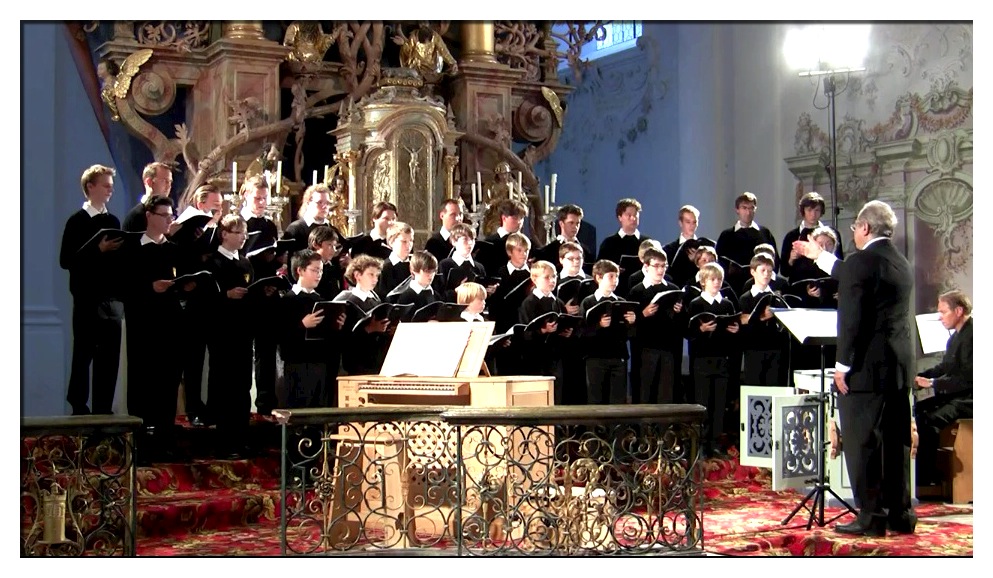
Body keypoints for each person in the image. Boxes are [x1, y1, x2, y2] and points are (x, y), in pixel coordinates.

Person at [793, 199, 916, 537]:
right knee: (896, 442)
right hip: (897, 367)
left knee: (863, 443)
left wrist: (841, 366)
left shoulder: (862, 262)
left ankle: (871, 517)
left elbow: (852, 322)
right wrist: (817, 255)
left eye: (854, 229)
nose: (854, 235)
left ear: (863, 228)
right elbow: (851, 273)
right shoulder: (900, 261)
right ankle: (900, 514)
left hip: (865, 370)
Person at [59, 164, 126, 416]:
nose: (110, 189)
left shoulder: (112, 221)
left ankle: (103, 408)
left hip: (110, 300)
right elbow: (66, 260)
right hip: (87, 298)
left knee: (108, 359)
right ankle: (78, 406)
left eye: (111, 185)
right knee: (84, 352)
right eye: (105, 185)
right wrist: (97, 250)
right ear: (90, 187)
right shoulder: (76, 221)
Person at [121, 196, 184, 461]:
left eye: (171, 215)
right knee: (142, 383)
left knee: (168, 384)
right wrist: (149, 288)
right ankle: (141, 444)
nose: (169, 220)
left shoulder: (174, 250)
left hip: (170, 326)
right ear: (149, 215)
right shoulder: (132, 248)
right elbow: (123, 286)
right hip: (143, 326)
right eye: (164, 215)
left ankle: (165, 439)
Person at [204, 215, 256, 458]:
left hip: (244, 332)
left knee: (243, 386)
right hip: (222, 333)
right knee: (224, 385)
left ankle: (242, 437)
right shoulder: (213, 263)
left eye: (244, 232)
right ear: (224, 233)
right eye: (238, 232)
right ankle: (225, 440)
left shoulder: (246, 263)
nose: (243, 237)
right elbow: (204, 299)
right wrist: (225, 296)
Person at [913, 290, 973, 486]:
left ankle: (929, 478)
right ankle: (919, 477)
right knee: (918, 410)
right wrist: (922, 376)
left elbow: (969, 377)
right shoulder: (955, 337)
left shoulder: (974, 335)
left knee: (929, 421)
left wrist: (932, 384)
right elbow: (945, 367)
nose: (939, 318)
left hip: (971, 398)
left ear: (958, 310)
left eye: (943, 312)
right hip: (959, 393)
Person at [277, 249, 347, 409]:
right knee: (299, 411)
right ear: (300, 270)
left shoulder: (320, 300)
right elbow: (279, 335)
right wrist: (302, 325)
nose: (319, 275)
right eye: (314, 270)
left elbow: (330, 338)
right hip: (297, 365)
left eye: (321, 271)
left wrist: (338, 325)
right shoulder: (287, 301)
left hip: (321, 364)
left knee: (319, 410)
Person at [685, 262, 740, 456]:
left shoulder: (727, 304)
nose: (716, 283)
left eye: (719, 279)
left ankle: (715, 442)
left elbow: (733, 332)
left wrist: (735, 330)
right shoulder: (695, 304)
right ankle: (701, 442)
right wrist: (701, 329)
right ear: (703, 282)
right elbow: (688, 332)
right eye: (712, 279)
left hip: (722, 360)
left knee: (719, 404)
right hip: (702, 360)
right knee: (703, 403)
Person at [629, 248, 685, 404]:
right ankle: (645, 428)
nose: (661, 270)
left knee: (665, 393)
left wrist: (678, 312)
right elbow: (630, 323)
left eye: (663, 266)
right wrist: (643, 314)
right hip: (645, 349)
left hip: (668, 348)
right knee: (646, 392)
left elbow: (681, 324)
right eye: (656, 266)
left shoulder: (673, 289)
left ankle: (664, 428)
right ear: (646, 267)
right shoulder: (637, 291)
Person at [579, 260, 636, 405]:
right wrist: (599, 325)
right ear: (598, 278)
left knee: (617, 399)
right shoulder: (588, 302)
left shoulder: (622, 301)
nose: (615, 281)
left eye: (616, 277)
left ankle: (616, 428)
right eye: (610, 276)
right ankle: (595, 428)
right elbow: (581, 332)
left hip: (618, 357)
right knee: (596, 398)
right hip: (595, 358)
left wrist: (632, 322)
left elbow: (630, 334)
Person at [518, 260, 572, 405]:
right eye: (547, 277)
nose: (552, 280)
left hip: (555, 357)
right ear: (534, 279)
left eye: (554, 276)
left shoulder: (558, 303)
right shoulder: (529, 303)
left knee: (557, 396)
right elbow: (524, 333)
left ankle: (557, 427)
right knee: (540, 398)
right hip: (536, 359)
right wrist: (542, 330)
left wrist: (566, 332)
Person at [332, 255, 391, 375]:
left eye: (377, 276)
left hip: (375, 359)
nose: (375, 279)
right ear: (357, 275)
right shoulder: (345, 299)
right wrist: (369, 329)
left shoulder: (375, 299)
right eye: (371, 275)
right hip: (356, 362)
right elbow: (342, 337)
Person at [736, 253, 790, 387]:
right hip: (754, 350)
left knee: (773, 386)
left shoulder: (777, 297)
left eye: (770, 271)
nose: (766, 274)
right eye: (763, 271)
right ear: (753, 271)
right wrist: (762, 317)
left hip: (775, 349)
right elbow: (744, 323)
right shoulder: (745, 298)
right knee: (755, 388)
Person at [715, 192, 778, 293]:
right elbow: (719, 262)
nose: (748, 212)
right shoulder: (726, 235)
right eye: (744, 208)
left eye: (751, 208)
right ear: (737, 210)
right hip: (733, 287)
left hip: (762, 286)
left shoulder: (764, 233)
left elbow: (775, 260)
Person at [779, 192, 843, 282]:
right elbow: (784, 271)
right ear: (803, 211)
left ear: (821, 211)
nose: (813, 214)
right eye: (809, 210)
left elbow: (839, 264)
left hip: (825, 287)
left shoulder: (832, 234)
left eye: (817, 210)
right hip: (800, 289)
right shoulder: (791, 236)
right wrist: (791, 259)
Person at [664, 205, 714, 288]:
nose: (692, 225)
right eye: (688, 222)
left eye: (694, 222)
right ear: (680, 223)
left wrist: (698, 260)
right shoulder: (670, 249)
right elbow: (670, 275)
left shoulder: (708, 246)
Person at [533, 204, 595, 269]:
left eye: (577, 223)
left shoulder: (586, 252)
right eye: (571, 223)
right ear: (561, 224)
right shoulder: (548, 251)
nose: (575, 227)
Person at [122, 161, 174, 233]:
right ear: (149, 182)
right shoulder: (136, 217)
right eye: (164, 181)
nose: (169, 186)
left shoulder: (171, 212)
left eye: (170, 182)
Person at [597, 198, 650, 266]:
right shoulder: (609, 243)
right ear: (620, 217)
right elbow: (600, 268)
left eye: (635, 215)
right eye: (629, 215)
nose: (633, 218)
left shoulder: (647, 243)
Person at [481, 199, 528, 273]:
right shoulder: (490, 243)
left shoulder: (527, 242)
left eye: (521, 218)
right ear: (504, 218)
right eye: (515, 218)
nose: (519, 222)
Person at [377, 221, 415, 297]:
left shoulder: (414, 264)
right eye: (404, 241)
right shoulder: (384, 267)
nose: (409, 245)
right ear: (392, 242)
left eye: (411, 241)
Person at [424, 198, 463, 263]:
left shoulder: (466, 242)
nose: (458, 218)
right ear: (442, 215)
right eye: (453, 214)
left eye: (460, 214)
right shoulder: (433, 243)